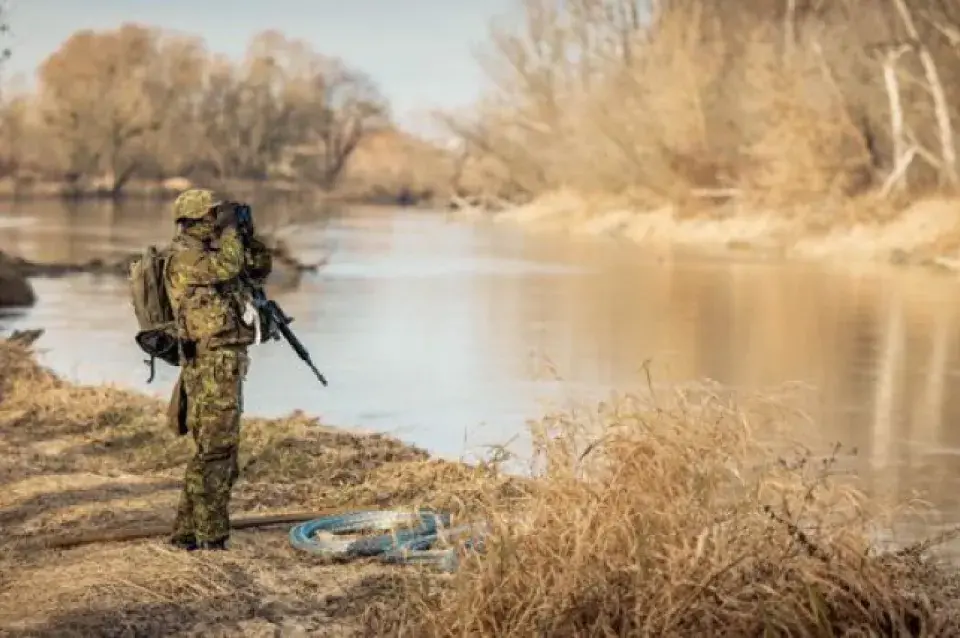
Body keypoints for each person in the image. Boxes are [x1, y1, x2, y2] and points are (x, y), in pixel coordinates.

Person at [164, 188, 273, 551]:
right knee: (216, 451)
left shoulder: (211, 253)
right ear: (197, 218)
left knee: (216, 450)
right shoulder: (185, 258)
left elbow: (257, 269)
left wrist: (247, 234)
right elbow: (228, 266)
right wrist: (230, 234)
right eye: (214, 216)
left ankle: (186, 533)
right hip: (210, 363)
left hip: (223, 363)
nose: (217, 220)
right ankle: (211, 536)